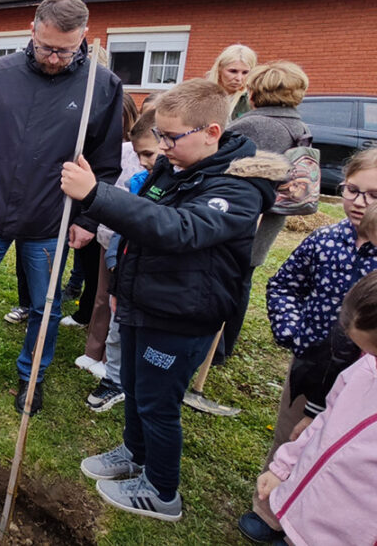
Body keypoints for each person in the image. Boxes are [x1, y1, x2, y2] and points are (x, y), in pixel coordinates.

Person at [64, 79, 282, 521]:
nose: (162, 147)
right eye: (159, 136)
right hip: (147, 300)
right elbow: (141, 226)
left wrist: (95, 194)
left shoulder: (238, 186)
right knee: (136, 387)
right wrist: (122, 287)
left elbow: (180, 229)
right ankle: (134, 453)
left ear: (211, 131)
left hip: (185, 314)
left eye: (171, 137)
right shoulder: (175, 166)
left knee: (158, 403)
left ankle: (161, 491)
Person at [0, 0, 124, 415]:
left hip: (52, 220)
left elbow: (107, 165)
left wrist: (87, 218)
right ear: (32, 31)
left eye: (66, 49)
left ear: (84, 38)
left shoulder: (102, 85)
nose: (55, 57)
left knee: (45, 306)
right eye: (46, 47)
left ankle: (32, 375)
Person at [237, 148, 377, 541]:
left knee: (341, 451)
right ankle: (270, 510)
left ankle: (314, 521)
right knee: (292, 434)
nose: (359, 202)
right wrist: (292, 330)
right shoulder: (325, 240)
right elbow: (284, 283)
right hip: (312, 364)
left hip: (365, 378)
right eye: (352, 190)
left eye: (373, 195)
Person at [252, 271, 377, 546]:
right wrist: (282, 469)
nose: (371, 361)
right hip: (304, 521)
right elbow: (326, 423)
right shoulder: (363, 370)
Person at [220, 61, 311, 361]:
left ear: (256, 91)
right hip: (269, 219)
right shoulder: (301, 127)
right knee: (243, 279)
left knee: (227, 279)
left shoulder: (253, 125)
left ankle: (216, 348)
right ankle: (224, 345)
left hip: (240, 219)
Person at [83, 108, 160, 411]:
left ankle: (143, 385)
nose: (142, 162)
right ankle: (115, 379)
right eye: (140, 154)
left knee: (145, 337)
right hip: (127, 267)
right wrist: (115, 258)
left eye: (149, 153)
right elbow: (124, 224)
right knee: (118, 326)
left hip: (157, 278)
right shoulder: (141, 180)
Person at [72, 93, 139, 374]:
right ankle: (94, 349)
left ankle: (113, 363)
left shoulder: (157, 167)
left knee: (122, 305)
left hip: (133, 240)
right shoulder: (121, 153)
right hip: (107, 234)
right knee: (103, 294)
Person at [205, 44, 257, 121]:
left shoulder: (253, 100)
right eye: (233, 71)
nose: (239, 78)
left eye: (245, 72)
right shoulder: (200, 95)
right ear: (219, 68)